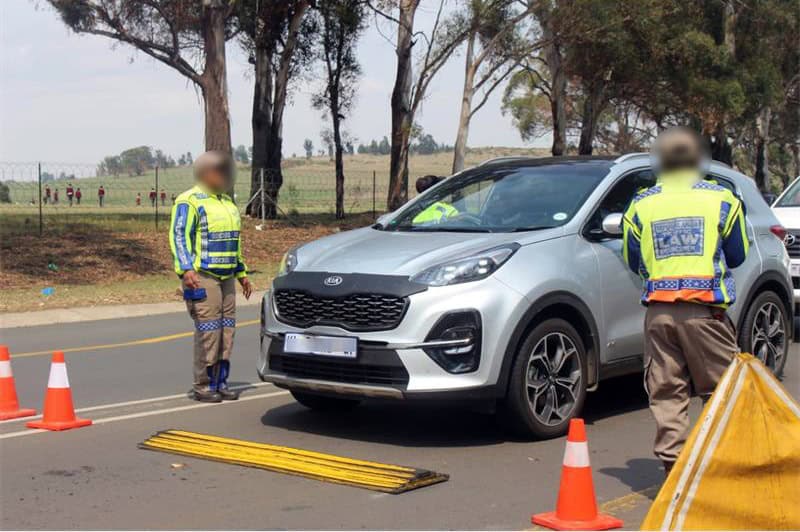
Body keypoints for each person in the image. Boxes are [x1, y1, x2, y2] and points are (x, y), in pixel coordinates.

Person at [622, 126, 749, 475]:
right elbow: (737, 254)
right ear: (697, 159)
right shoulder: (722, 198)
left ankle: (674, 469)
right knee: (721, 392)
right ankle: (722, 467)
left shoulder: (640, 203)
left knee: (667, 392)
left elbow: (633, 260)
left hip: (659, 314)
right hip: (706, 313)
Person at [169, 151, 253, 403]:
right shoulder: (189, 200)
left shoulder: (227, 203)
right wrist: (186, 270)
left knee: (227, 332)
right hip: (202, 276)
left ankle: (220, 381)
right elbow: (179, 236)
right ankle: (203, 385)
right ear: (206, 173)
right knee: (209, 331)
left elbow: (234, 242)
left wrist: (242, 273)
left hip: (227, 277)